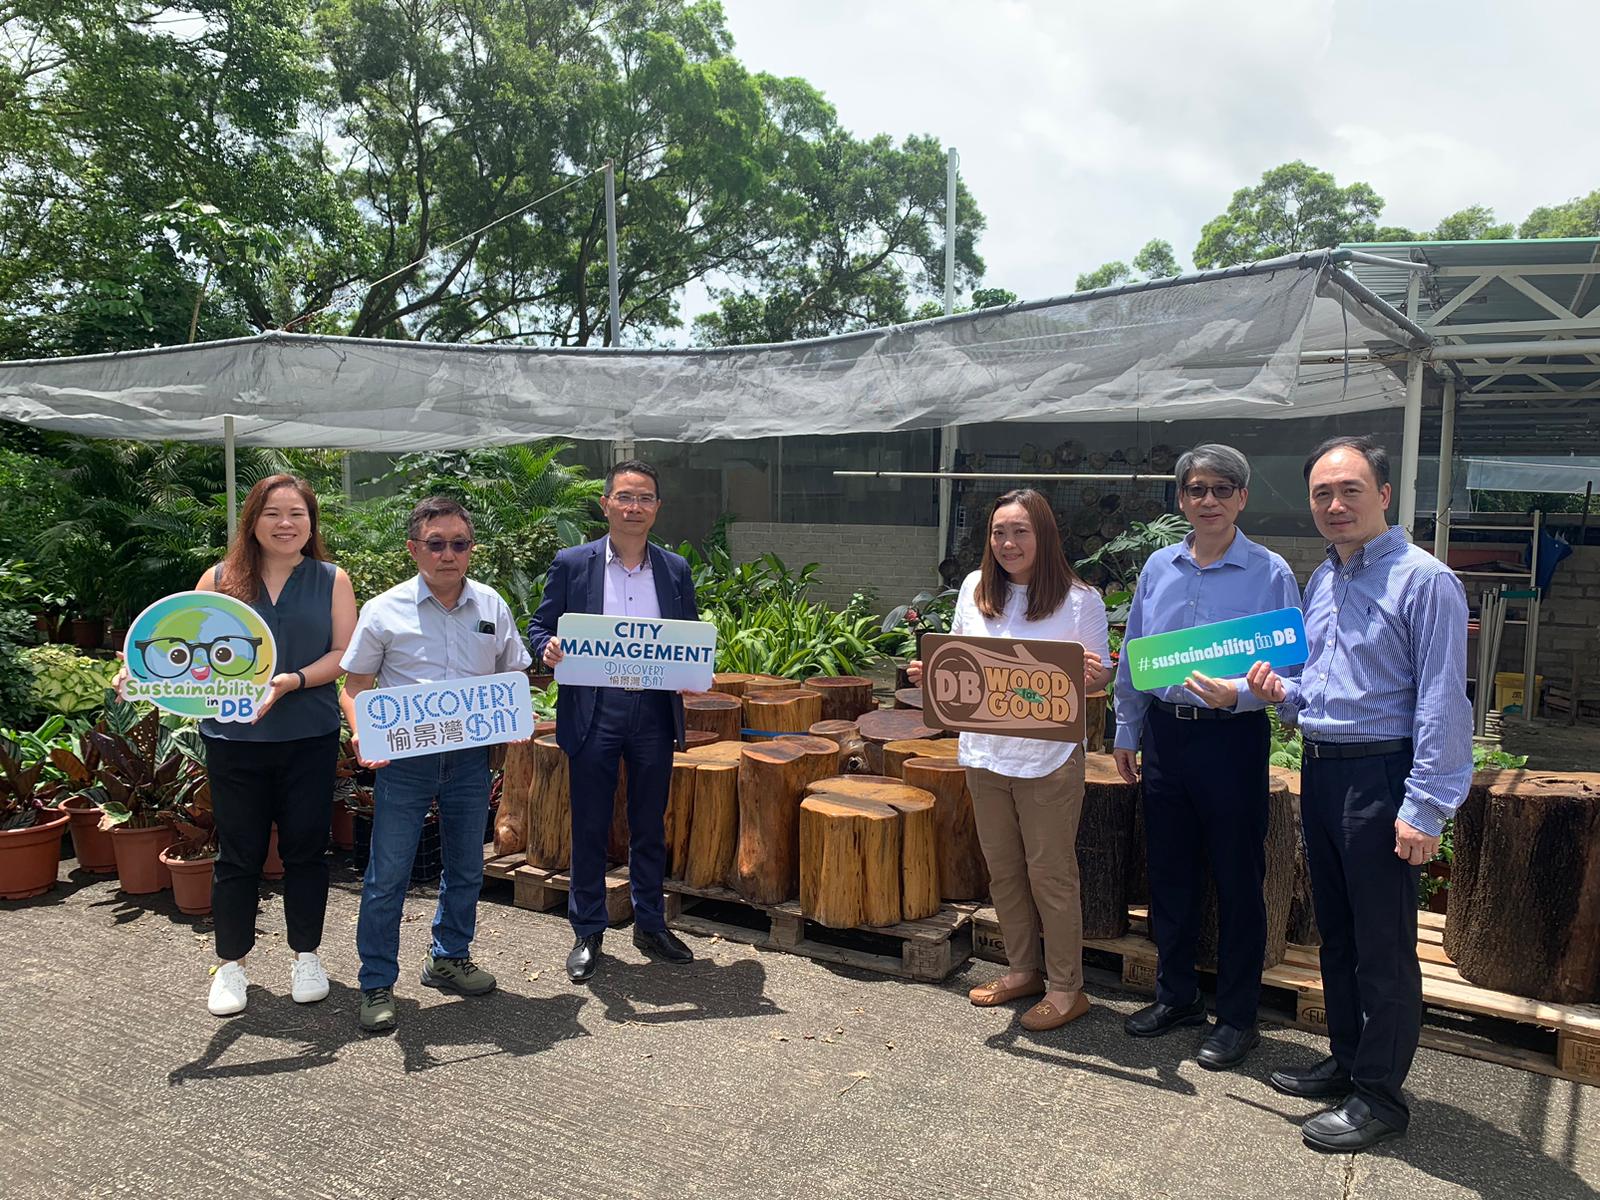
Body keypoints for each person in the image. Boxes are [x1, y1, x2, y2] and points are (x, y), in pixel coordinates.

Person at [1247, 436, 1470, 1153]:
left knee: (1383, 947)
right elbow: (1318, 685)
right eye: (1322, 493)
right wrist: (1279, 693)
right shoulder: (1325, 579)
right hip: (1323, 771)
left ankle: (1380, 1097)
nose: (1335, 505)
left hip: (1381, 778)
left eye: (1350, 490)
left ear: (1384, 494)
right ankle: (1346, 1063)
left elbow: (1442, 701)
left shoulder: (1424, 581)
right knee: (1337, 934)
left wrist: (1425, 805)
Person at [1111, 445, 1301, 1069]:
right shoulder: (1158, 568)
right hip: (1166, 737)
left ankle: (1238, 1017)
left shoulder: (1269, 572)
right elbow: (1135, 654)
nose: (1209, 500)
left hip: (1231, 740)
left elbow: (1292, 669)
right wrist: (1126, 730)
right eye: (1197, 489)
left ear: (1242, 498)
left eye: (1222, 489)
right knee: (1170, 873)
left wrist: (1239, 694)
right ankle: (1178, 997)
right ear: (1182, 498)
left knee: (1238, 878)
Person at [909, 489, 1112, 1031]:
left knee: (1051, 875)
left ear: (1043, 535)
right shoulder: (976, 587)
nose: (1008, 543)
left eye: (1020, 531)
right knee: (1002, 870)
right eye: (999, 532)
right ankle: (1022, 970)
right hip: (984, 753)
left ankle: (1067, 988)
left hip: (1048, 759)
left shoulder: (1080, 600)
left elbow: (1100, 677)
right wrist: (930, 672)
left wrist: (1094, 676)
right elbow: (958, 657)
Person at [340, 496, 531, 1033]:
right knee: (388, 875)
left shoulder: (492, 605)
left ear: (471, 549)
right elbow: (354, 688)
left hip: (470, 761)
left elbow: (514, 676)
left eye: (459, 544)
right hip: (404, 759)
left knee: (467, 866)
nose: (449, 554)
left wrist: (514, 714)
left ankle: (449, 957)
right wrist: (362, 731)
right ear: (413, 549)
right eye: (436, 544)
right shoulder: (384, 610)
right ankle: (376, 981)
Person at [526, 460, 700, 984]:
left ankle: (650, 924)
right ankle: (587, 930)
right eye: (624, 497)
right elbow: (540, 625)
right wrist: (548, 647)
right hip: (594, 707)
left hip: (652, 710)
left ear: (657, 508)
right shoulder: (572, 563)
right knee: (590, 823)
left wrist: (693, 666)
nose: (634, 507)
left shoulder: (674, 569)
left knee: (649, 822)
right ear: (605, 505)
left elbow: (687, 632)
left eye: (644, 498)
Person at [192, 474, 357, 1017]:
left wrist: (295, 680)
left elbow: (344, 654)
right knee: (237, 854)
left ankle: (306, 956)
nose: (285, 524)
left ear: (311, 523)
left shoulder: (332, 579)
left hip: (308, 736)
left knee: (305, 850)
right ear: (252, 522)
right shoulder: (220, 579)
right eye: (272, 513)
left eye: (296, 514)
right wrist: (140, 673)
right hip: (234, 738)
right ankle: (231, 964)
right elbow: (187, 652)